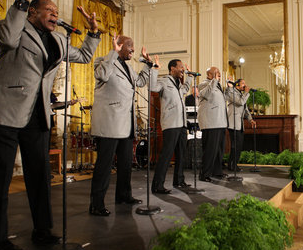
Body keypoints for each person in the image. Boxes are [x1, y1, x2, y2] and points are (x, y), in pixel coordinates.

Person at [0, 0, 100, 250]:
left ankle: (43, 231)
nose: (55, 14)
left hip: (38, 115)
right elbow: (7, 39)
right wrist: (20, 2)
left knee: (40, 176)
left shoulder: (59, 40)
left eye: (57, 12)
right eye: (50, 10)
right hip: (7, 112)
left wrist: (94, 32)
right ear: (33, 12)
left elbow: (83, 56)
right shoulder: (17, 27)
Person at [89, 36, 154, 216]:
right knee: (104, 165)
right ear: (119, 46)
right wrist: (113, 53)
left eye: (133, 46)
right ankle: (96, 204)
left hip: (126, 124)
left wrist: (148, 66)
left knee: (125, 164)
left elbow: (140, 82)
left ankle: (124, 196)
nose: (133, 50)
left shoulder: (129, 68)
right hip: (109, 122)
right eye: (129, 46)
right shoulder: (103, 61)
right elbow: (101, 75)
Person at [150, 59, 193, 194]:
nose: (182, 70)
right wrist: (154, 70)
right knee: (167, 155)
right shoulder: (164, 81)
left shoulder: (179, 84)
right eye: (180, 67)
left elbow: (186, 89)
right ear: (172, 68)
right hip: (170, 123)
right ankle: (157, 185)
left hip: (181, 124)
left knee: (182, 154)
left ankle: (179, 181)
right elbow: (152, 87)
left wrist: (190, 77)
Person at [198, 67, 228, 182]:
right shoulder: (203, 84)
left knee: (219, 150)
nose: (219, 74)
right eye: (216, 73)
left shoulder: (218, 86)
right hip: (210, 122)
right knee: (210, 150)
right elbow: (206, 94)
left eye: (219, 73)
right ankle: (204, 174)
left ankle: (217, 172)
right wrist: (214, 81)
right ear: (209, 75)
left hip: (220, 121)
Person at [225, 78, 256, 172]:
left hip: (240, 124)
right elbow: (240, 102)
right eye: (243, 83)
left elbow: (245, 109)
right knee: (235, 146)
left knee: (238, 146)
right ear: (237, 84)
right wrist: (246, 93)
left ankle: (233, 164)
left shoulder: (241, 95)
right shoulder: (232, 93)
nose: (245, 85)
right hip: (233, 123)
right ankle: (232, 165)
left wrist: (251, 120)